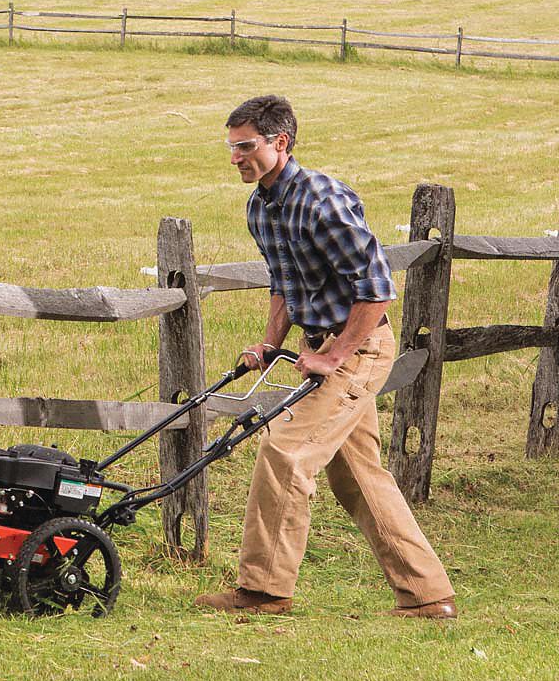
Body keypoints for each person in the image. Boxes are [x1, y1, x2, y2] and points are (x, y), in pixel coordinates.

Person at [195, 95, 456, 619]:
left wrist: (335, 354)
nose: (235, 158)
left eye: (245, 147)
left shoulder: (322, 200)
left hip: (358, 347)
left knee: (285, 453)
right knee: (357, 474)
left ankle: (264, 591)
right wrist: (271, 340)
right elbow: (284, 281)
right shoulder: (260, 206)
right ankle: (427, 594)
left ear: (280, 143)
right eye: (231, 147)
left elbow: (377, 288)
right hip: (322, 346)